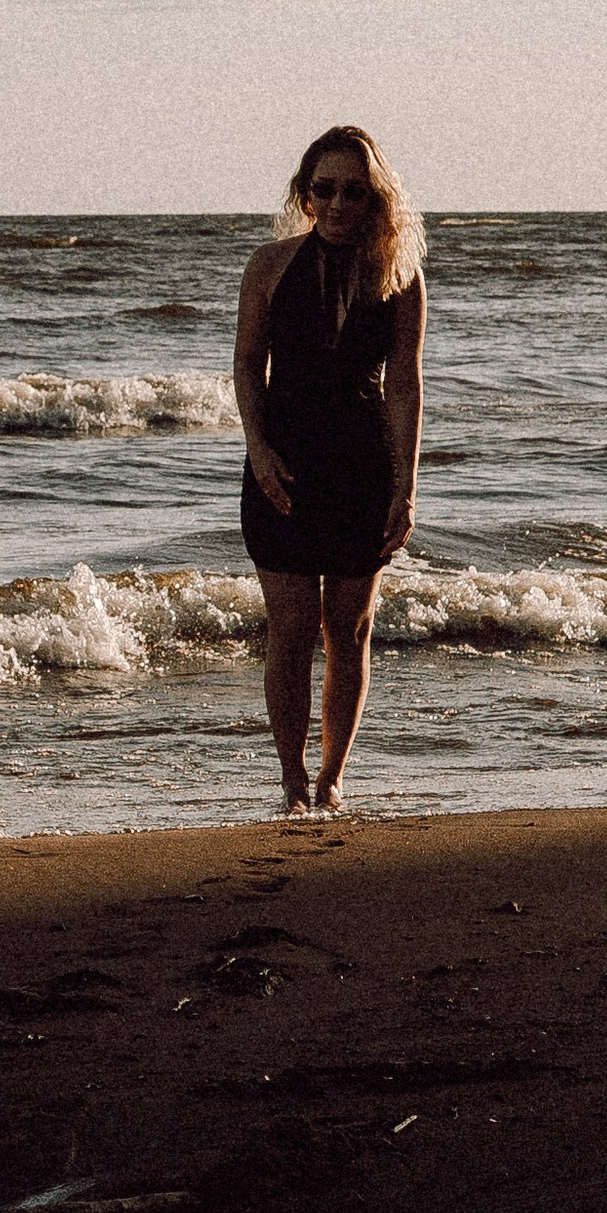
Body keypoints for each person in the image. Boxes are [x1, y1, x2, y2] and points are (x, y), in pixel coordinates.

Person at [233, 125, 426, 814]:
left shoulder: (399, 276)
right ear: (305, 196)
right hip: (282, 465)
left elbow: (403, 384)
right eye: (326, 190)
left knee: (350, 628)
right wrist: (258, 451)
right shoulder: (269, 266)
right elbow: (247, 369)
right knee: (287, 629)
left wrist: (406, 487)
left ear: (374, 198)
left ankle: (332, 779)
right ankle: (290, 780)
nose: (339, 203)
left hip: (361, 467)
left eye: (354, 190)